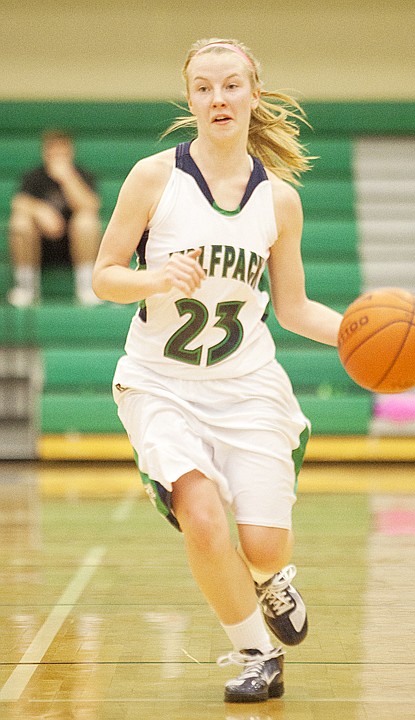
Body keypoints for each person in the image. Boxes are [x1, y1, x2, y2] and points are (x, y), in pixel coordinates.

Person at [92, 38, 343, 703]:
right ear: (191, 99)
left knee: (261, 544)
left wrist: (355, 334)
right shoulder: (154, 178)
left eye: (231, 86)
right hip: (161, 383)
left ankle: (270, 579)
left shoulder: (278, 202)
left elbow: (291, 308)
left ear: (253, 95)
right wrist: (153, 277)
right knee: (202, 518)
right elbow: (103, 277)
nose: (218, 99)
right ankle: (256, 653)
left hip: (247, 386)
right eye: (203, 88)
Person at [7, 129, 101, 306]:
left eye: (62, 153)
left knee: (86, 221)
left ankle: (86, 286)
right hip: (41, 246)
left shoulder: (83, 175)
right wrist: (40, 210)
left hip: (75, 247)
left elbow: (90, 205)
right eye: (53, 152)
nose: (58, 157)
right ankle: (26, 286)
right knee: (20, 222)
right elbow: (18, 202)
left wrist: (67, 178)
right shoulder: (34, 176)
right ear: (45, 153)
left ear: (71, 152)